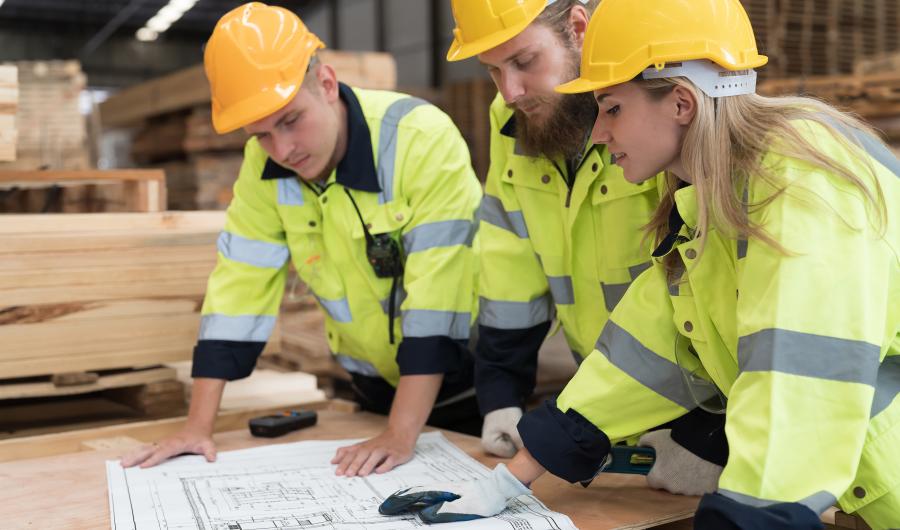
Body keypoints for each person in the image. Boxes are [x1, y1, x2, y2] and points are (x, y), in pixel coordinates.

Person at [380, 0, 900, 527]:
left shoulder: (801, 186)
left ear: (681, 103)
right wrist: (514, 475)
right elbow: (646, 349)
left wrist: (738, 499)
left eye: (612, 109)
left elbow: (796, 388)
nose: (599, 134)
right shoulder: (709, 199)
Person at [121, 2, 483, 478]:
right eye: (261, 135)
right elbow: (239, 287)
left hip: (468, 386)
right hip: (373, 391)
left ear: (327, 84)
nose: (282, 150)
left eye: (291, 120)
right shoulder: (263, 167)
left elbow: (440, 294)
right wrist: (197, 427)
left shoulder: (419, 138)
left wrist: (401, 432)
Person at [447, 0, 727, 496]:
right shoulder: (511, 118)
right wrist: (501, 391)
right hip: (597, 400)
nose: (509, 91)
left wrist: (710, 433)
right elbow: (508, 261)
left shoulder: (654, 113)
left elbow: (712, 296)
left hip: (694, 406)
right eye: (492, 70)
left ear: (578, 28)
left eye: (524, 61)